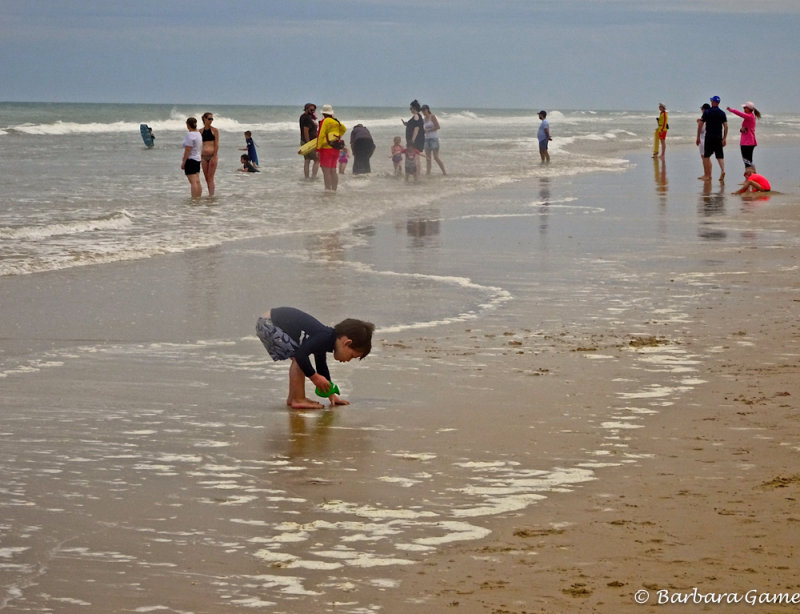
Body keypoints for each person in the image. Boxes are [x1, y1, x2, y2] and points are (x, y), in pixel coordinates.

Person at [256, 307, 375, 410]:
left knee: (297, 357)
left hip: (268, 322)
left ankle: (293, 398)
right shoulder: (324, 336)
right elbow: (301, 356)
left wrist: (331, 395)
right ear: (347, 343)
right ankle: (298, 399)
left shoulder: (326, 339)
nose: (348, 360)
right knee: (298, 358)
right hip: (270, 323)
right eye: (352, 356)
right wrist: (314, 377)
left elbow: (321, 366)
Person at [696, 95, 728, 182]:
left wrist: (698, 136)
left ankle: (707, 175)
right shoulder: (722, 113)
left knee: (706, 156)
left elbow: (700, 125)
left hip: (709, 137)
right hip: (718, 137)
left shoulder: (707, 112)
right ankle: (722, 170)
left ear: (713, 102)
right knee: (719, 156)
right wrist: (724, 138)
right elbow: (725, 126)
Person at [316, 104, 347, 192]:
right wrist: (336, 136)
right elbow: (344, 129)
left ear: (323, 114)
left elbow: (320, 135)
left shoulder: (324, 121)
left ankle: (327, 190)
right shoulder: (336, 121)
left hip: (326, 149)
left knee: (326, 171)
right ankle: (334, 190)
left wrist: (318, 149)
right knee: (333, 170)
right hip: (335, 149)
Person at [726, 101, 761, 169]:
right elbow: (748, 129)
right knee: (748, 160)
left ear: (749, 109)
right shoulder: (750, 117)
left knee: (747, 160)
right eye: (744, 108)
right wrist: (742, 130)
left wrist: (731, 110)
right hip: (748, 141)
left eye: (745, 108)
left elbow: (740, 114)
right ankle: (751, 174)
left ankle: (750, 175)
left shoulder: (749, 116)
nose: (744, 109)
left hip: (747, 142)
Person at [402, 100, 425, 180]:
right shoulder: (418, 116)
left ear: (414, 108)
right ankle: (417, 175)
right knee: (416, 157)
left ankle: (417, 176)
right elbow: (414, 125)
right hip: (416, 140)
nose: (410, 109)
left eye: (411, 108)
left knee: (416, 158)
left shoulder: (416, 116)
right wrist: (407, 124)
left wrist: (412, 140)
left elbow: (416, 128)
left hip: (415, 140)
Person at [420, 104, 446, 175]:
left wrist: (428, 130)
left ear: (427, 109)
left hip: (434, 139)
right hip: (426, 139)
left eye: (424, 110)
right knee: (428, 158)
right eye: (422, 111)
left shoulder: (432, 116)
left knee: (436, 157)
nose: (423, 112)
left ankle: (444, 172)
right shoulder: (424, 119)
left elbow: (438, 126)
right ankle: (428, 173)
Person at [181, 117, 203, 198]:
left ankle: (194, 198)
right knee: (197, 181)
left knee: (193, 182)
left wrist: (184, 162)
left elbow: (188, 149)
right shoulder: (198, 134)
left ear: (187, 125)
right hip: (197, 158)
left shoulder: (190, 135)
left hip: (190, 159)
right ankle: (198, 197)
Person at [200, 112, 219, 196]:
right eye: (209, 119)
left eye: (212, 119)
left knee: (210, 178)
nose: (211, 120)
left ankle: (211, 196)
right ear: (204, 119)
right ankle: (210, 194)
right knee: (207, 178)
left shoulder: (215, 130)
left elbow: (216, 144)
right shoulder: (200, 131)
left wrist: (214, 156)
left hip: (212, 156)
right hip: (203, 157)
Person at [299, 103, 319, 179]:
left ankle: (306, 177)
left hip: (303, 141)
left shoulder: (303, 117)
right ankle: (313, 177)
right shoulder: (307, 118)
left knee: (307, 160)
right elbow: (306, 131)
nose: (313, 111)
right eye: (311, 110)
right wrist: (309, 143)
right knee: (317, 159)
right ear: (306, 109)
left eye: (314, 110)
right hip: (309, 141)